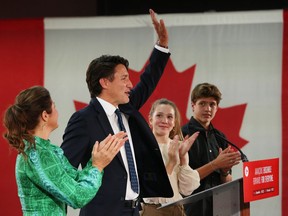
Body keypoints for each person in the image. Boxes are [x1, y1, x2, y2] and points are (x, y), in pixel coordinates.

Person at [60, 9, 173, 216]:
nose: (130, 84)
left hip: (133, 211)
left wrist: (162, 45)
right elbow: (63, 171)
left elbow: (148, 81)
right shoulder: (83, 120)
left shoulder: (126, 108)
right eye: (123, 78)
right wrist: (94, 169)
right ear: (104, 82)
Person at [2, 86, 127, 216]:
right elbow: (78, 197)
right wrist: (97, 165)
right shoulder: (38, 153)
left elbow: (76, 180)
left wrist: (96, 159)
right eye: (54, 106)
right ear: (45, 115)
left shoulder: (48, 150)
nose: (57, 111)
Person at [181, 82, 242, 216]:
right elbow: (183, 181)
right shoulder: (182, 135)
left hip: (218, 208)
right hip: (190, 210)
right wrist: (216, 164)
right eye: (202, 103)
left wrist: (224, 172)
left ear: (217, 108)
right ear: (193, 105)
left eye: (212, 104)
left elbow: (226, 181)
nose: (207, 108)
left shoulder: (221, 137)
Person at [141, 98, 200, 216]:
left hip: (177, 208)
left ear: (174, 123)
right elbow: (153, 187)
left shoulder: (179, 146)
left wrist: (183, 159)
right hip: (153, 210)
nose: (164, 121)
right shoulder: (141, 147)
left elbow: (187, 190)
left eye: (169, 117)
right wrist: (172, 162)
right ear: (150, 119)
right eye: (159, 116)